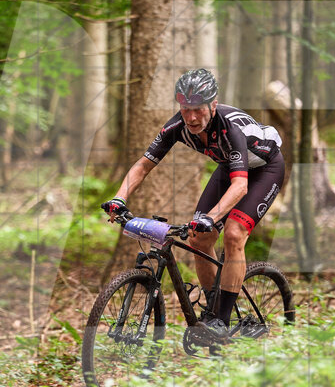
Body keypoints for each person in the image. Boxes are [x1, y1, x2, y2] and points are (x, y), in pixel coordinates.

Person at [101, 68, 284, 338]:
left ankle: (221, 321)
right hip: (230, 167)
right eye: (186, 109)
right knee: (199, 239)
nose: (192, 117)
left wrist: (212, 216)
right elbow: (142, 166)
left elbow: (241, 186)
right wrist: (119, 197)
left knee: (233, 234)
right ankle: (213, 310)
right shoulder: (177, 126)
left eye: (198, 109)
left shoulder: (229, 129)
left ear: (213, 104)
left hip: (265, 169)